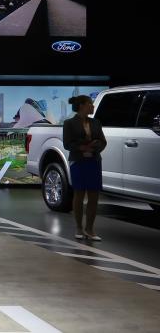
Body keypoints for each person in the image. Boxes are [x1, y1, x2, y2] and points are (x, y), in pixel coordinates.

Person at [63, 95, 107, 241]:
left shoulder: (96, 122)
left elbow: (103, 141)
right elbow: (67, 144)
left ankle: (90, 229)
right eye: (90, 104)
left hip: (94, 161)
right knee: (79, 195)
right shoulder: (69, 123)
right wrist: (83, 147)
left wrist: (95, 147)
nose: (93, 106)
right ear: (82, 105)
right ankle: (79, 228)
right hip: (78, 162)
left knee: (94, 196)